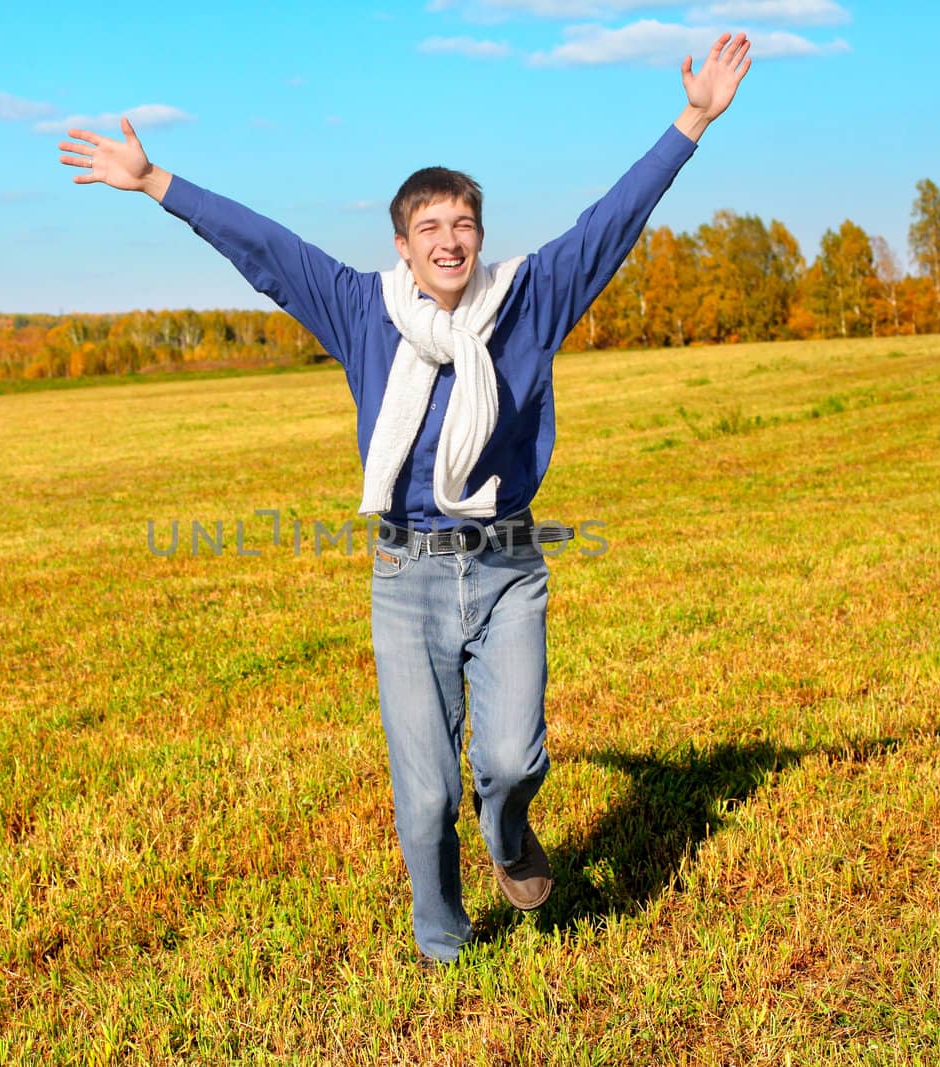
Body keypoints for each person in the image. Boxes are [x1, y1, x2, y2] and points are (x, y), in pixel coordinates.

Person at [59, 33, 752, 965]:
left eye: (463, 223)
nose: (450, 240)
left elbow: (611, 221)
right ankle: (445, 948)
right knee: (423, 795)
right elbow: (266, 249)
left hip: (508, 565)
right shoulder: (359, 310)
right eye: (430, 228)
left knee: (512, 762)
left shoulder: (529, 301)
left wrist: (694, 119)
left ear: (480, 234)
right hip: (405, 575)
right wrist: (155, 183)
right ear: (403, 246)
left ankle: (508, 838)